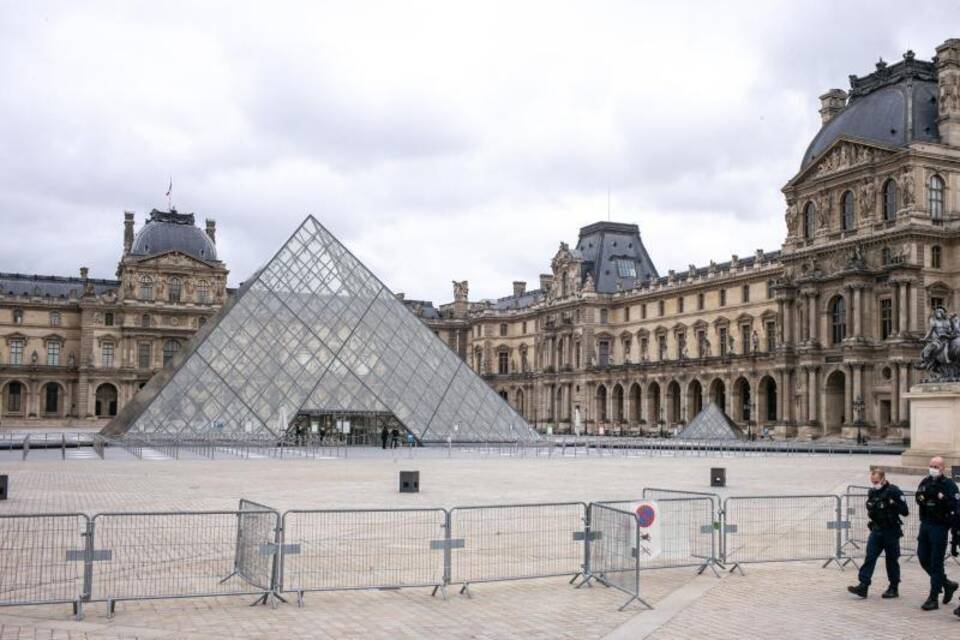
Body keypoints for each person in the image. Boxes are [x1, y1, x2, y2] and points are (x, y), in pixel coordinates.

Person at [847, 469, 908, 599]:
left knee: (891, 560)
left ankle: (893, 587)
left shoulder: (894, 491)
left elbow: (905, 511)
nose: (874, 484)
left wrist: (893, 504)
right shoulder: (872, 492)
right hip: (877, 530)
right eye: (872, 482)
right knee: (870, 557)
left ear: (883, 479)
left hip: (891, 531)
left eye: (876, 481)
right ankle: (863, 585)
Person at [915, 456, 960, 611]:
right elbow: (918, 497)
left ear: (943, 468)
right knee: (922, 557)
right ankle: (947, 584)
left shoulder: (949, 485)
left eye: (936, 466)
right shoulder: (925, 481)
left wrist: (941, 498)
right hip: (925, 524)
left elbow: (955, 505)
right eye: (931, 465)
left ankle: (933, 597)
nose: (933, 468)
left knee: (936, 563)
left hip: (939, 527)